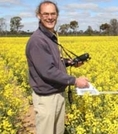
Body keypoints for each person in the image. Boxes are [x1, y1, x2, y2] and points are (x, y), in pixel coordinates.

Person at [25, 1, 89, 134]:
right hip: (47, 98)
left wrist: (68, 62)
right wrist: (75, 81)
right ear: (39, 16)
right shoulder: (38, 40)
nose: (50, 17)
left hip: (57, 94)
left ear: (57, 15)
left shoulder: (50, 37)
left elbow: (51, 62)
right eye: (46, 14)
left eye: (53, 14)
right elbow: (47, 71)